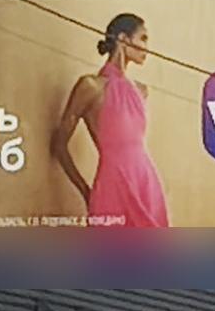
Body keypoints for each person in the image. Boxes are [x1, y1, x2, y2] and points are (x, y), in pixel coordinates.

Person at [53, 13, 171, 227]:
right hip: (112, 185)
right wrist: (85, 191)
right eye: (143, 38)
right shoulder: (90, 86)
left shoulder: (142, 91)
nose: (147, 47)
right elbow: (59, 145)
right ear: (124, 39)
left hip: (146, 182)